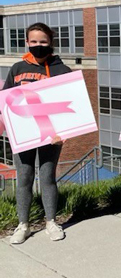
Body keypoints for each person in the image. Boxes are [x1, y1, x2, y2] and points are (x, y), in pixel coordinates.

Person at [5, 23, 71, 244]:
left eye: (43, 42)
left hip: (52, 135)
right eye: (33, 42)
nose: (38, 46)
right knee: (23, 177)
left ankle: (51, 222)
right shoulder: (17, 68)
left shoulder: (62, 70)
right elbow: (5, 100)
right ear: (27, 43)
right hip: (23, 134)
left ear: (50, 43)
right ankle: (23, 225)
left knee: (47, 177)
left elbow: (72, 104)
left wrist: (65, 131)